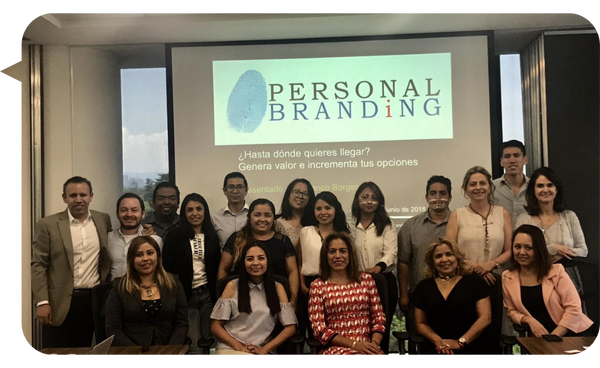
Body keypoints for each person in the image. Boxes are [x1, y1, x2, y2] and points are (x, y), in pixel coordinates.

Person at [31, 176, 113, 348]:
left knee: (89, 350)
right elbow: (38, 265)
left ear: (91, 196)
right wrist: (42, 302)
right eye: (73, 195)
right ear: (64, 198)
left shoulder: (102, 219)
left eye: (83, 195)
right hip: (60, 303)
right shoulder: (48, 224)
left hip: (93, 301)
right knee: (57, 351)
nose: (78, 200)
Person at [502, 224, 593, 337]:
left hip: (572, 333)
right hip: (539, 338)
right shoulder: (507, 277)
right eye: (517, 247)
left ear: (538, 249)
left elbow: (573, 308)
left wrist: (553, 337)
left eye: (528, 248)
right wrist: (529, 320)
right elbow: (511, 311)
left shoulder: (556, 271)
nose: (521, 252)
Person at [210, 242, 298, 358]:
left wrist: (264, 349)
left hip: (262, 350)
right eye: (250, 259)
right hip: (231, 348)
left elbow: (291, 327)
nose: (255, 263)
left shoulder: (278, 288)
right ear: (243, 263)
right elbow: (215, 326)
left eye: (261, 258)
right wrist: (239, 347)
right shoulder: (232, 286)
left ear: (268, 261)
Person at [308, 232, 386, 358]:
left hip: (368, 346)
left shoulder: (366, 280)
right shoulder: (318, 286)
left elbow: (379, 318)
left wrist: (374, 344)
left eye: (343, 251)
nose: (337, 256)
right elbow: (319, 328)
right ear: (325, 256)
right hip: (335, 348)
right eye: (332, 251)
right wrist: (354, 344)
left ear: (350, 254)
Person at [413, 237, 493, 357]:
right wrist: (440, 342)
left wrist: (460, 342)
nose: (444, 259)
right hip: (436, 348)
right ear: (432, 262)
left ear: (457, 258)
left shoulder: (474, 283)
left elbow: (485, 318)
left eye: (449, 254)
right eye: (438, 256)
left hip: (471, 346)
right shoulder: (423, 287)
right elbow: (420, 323)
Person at [163, 193, 222, 354]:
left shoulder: (212, 236)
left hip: (207, 296)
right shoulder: (175, 235)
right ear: (184, 213)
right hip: (185, 297)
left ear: (205, 211)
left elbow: (216, 266)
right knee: (194, 345)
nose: (195, 213)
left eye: (199, 209)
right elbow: (166, 269)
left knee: (210, 341)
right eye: (189, 210)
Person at [397, 175, 452, 347]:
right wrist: (404, 295)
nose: (438, 197)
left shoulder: (459, 223)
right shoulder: (410, 226)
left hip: (451, 296)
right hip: (418, 296)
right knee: (418, 345)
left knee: (448, 343)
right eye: (433, 193)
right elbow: (403, 262)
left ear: (450, 197)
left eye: (442, 193)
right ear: (427, 196)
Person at [105, 236, 189, 346]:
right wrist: (136, 353)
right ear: (131, 259)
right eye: (139, 255)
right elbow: (113, 329)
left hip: (168, 349)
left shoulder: (173, 283)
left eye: (150, 253)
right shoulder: (119, 287)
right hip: (131, 351)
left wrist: (170, 351)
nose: (145, 258)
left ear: (158, 256)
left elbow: (182, 323)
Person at [217, 198, 299, 309]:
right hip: (242, 300)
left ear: (273, 218)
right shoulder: (237, 239)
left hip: (277, 299)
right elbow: (223, 269)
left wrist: (293, 301)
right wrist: (222, 298)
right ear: (249, 218)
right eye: (257, 215)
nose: (262, 219)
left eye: (267, 215)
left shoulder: (283, 241)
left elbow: (293, 271)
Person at [350, 182, 397, 353]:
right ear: (357, 200)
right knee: (359, 329)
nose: (369, 201)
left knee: (380, 331)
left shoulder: (387, 224)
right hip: (356, 283)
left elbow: (391, 253)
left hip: (382, 282)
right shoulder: (350, 225)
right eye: (365, 197)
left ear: (379, 202)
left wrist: (378, 268)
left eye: (374, 198)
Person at [445, 166, 512, 286]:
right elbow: (450, 250)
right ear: (465, 189)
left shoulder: (503, 213)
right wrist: (478, 268)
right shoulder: (457, 215)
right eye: (473, 184)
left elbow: (510, 250)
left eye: (482, 183)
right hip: (464, 278)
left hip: (496, 279)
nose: (478, 188)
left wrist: (491, 264)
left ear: (490, 187)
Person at [297, 192, 350, 337]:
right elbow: (300, 261)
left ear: (335, 210)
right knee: (315, 332)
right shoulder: (305, 232)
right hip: (310, 285)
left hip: (337, 285)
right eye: (318, 208)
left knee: (336, 330)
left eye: (328, 208)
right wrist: (302, 286)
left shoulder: (343, 234)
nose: (323, 212)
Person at [515, 166, 587, 262]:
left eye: (550, 185)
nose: (545, 190)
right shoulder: (524, 220)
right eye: (540, 186)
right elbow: (521, 253)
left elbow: (583, 251)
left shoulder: (570, 216)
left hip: (568, 274)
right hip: (536, 274)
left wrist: (563, 256)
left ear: (556, 189)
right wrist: (553, 249)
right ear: (533, 190)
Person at [109, 192, 163, 280]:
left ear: (143, 214)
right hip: (113, 291)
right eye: (124, 210)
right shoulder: (108, 239)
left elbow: (160, 270)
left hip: (144, 291)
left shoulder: (155, 240)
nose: (129, 214)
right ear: (117, 214)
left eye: (134, 210)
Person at [493, 140, 530, 227]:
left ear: (525, 160)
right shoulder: (491, 188)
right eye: (507, 156)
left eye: (516, 155)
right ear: (501, 162)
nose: (512, 160)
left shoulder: (535, 187)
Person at [212, 172, 250, 251]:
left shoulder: (254, 216)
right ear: (224, 191)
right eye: (231, 187)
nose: (235, 191)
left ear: (246, 190)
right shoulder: (214, 218)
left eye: (240, 187)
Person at [274, 178, 315, 248]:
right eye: (296, 192)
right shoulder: (277, 223)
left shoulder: (315, 223)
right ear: (288, 195)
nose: (300, 196)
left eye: (305, 194)